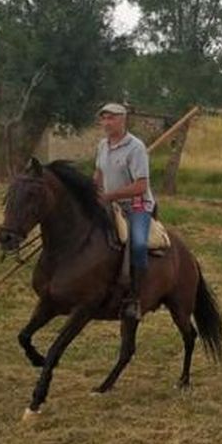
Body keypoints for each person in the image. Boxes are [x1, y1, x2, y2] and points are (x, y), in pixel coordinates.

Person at [93, 102, 156, 318]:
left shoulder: (136, 147)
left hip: (137, 205)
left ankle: (135, 298)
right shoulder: (102, 145)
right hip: (111, 204)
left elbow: (141, 186)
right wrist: (92, 193)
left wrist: (109, 196)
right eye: (104, 118)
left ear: (123, 119)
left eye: (111, 118)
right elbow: (99, 173)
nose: (106, 123)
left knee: (138, 244)